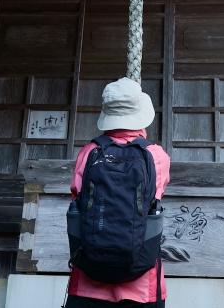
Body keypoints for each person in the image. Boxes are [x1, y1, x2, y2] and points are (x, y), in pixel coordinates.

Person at [65, 77, 170, 308]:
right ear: (141, 113)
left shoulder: (88, 152)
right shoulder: (156, 156)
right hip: (142, 286)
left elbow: (78, 197)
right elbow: (155, 198)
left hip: (88, 283)